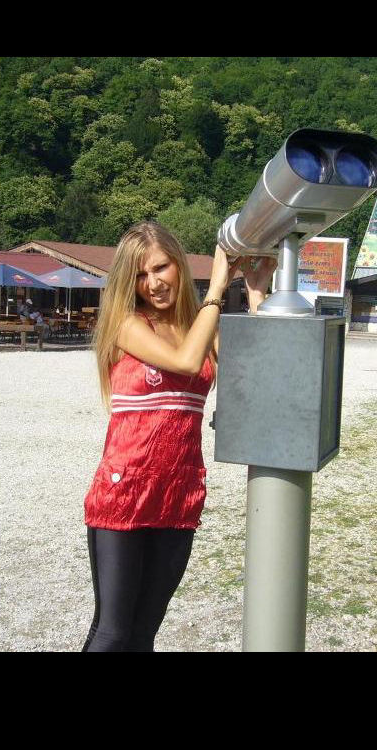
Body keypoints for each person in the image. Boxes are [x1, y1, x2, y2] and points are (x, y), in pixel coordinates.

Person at [82, 221, 275, 652]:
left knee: (144, 633)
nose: (153, 283)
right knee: (113, 633)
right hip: (125, 489)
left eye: (160, 268)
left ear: (179, 265)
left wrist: (256, 295)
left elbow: (257, 378)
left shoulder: (199, 327)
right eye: (140, 274)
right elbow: (186, 363)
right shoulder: (126, 324)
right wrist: (218, 288)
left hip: (179, 490)